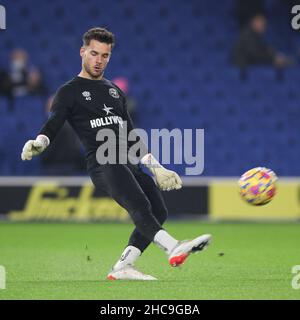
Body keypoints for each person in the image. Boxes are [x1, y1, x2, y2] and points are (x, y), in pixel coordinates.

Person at [21, 27, 212, 281]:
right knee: (140, 205)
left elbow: (132, 136)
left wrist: (157, 168)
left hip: (126, 163)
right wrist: (40, 141)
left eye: (105, 55)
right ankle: (173, 247)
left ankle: (123, 266)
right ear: (82, 52)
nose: (99, 60)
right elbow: (54, 122)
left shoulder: (114, 92)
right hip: (102, 163)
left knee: (158, 210)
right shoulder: (69, 91)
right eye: (94, 53)